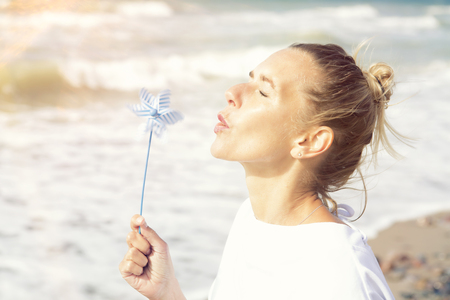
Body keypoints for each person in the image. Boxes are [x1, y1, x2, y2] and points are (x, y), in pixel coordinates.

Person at [119, 42, 404, 299]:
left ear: (310, 141)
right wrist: (167, 292)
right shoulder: (250, 218)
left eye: (264, 91)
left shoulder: (340, 274)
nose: (232, 93)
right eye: (249, 79)